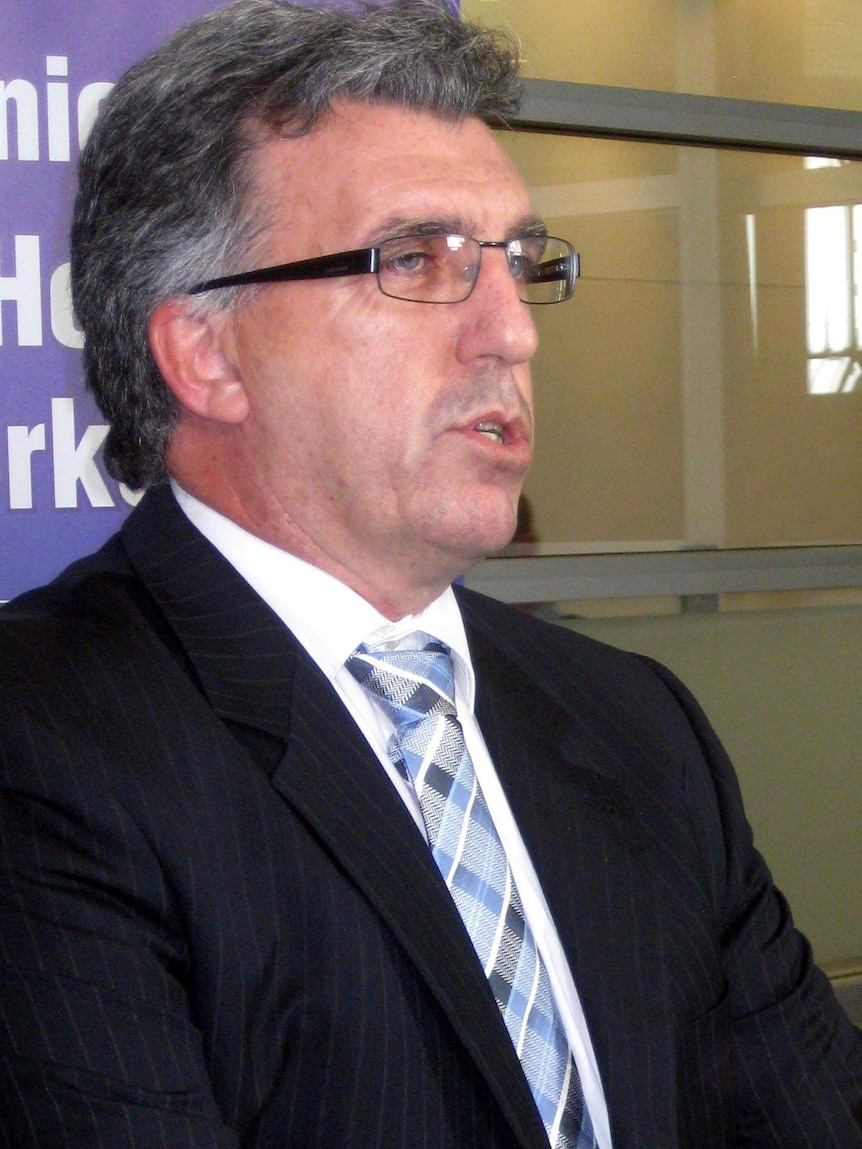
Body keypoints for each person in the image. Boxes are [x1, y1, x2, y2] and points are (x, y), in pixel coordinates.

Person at [0, 1, 859, 1146]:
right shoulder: (41, 741)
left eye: (519, 262)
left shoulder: (635, 725)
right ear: (208, 352)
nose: (512, 331)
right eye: (416, 259)